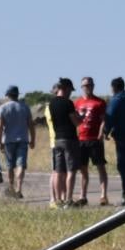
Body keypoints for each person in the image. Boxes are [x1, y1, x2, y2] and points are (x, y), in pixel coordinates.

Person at [73, 76, 111, 206]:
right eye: (85, 85)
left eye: (89, 85)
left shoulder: (99, 102)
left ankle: (103, 196)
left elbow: (104, 120)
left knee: (100, 167)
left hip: (95, 139)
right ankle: (83, 196)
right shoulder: (77, 103)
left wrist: (101, 133)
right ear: (82, 87)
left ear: (93, 86)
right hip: (81, 139)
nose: (87, 87)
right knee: (83, 169)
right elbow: (74, 120)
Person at [45, 78, 79, 206]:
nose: (71, 92)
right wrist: (80, 119)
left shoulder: (51, 103)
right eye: (70, 90)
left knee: (58, 171)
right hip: (69, 138)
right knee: (71, 170)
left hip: (57, 139)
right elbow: (75, 122)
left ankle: (58, 199)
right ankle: (68, 199)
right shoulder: (68, 103)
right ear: (65, 88)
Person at [0, 85, 32, 199]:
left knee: (10, 166)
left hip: (8, 140)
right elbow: (31, 124)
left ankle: (11, 187)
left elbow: (0, 127)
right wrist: (33, 139)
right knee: (21, 164)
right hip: (22, 139)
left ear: (7, 95)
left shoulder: (3, 108)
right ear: (18, 94)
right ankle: (19, 189)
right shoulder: (25, 107)